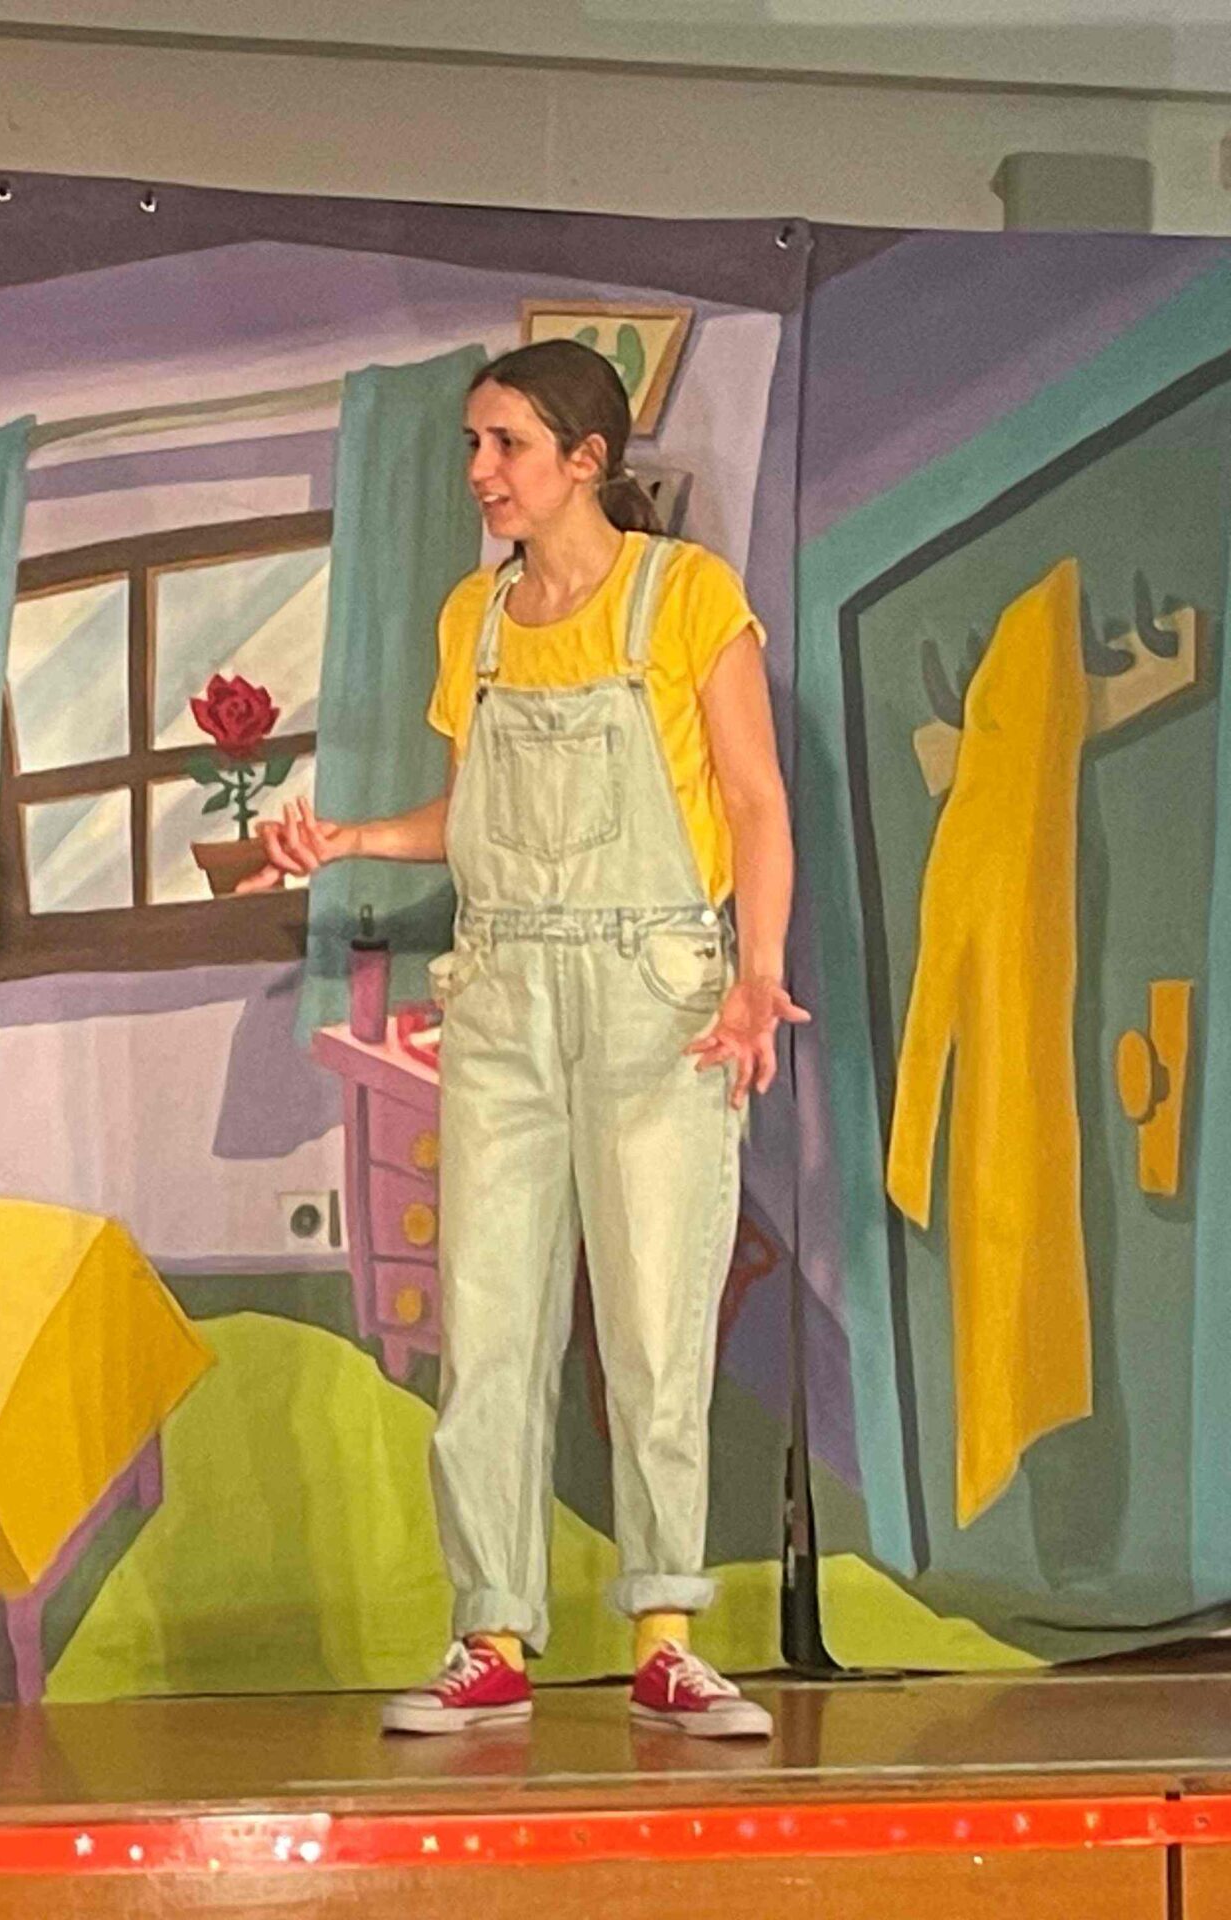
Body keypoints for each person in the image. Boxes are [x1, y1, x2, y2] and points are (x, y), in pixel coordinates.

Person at [248, 340, 806, 1736]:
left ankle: (666, 1633)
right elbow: (470, 815)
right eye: (473, 445)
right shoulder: (476, 618)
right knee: (489, 1322)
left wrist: (756, 977)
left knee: (655, 1323)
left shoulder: (685, 596)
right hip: (503, 991)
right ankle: (489, 1635)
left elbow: (753, 801)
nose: (480, 471)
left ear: (585, 460)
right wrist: (349, 839)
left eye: (505, 444)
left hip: (655, 994)